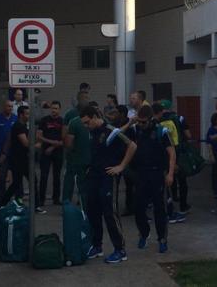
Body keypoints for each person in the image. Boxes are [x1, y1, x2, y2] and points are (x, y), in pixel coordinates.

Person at [81, 106, 137, 264]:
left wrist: (121, 166)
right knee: (92, 210)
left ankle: (120, 249)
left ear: (93, 117)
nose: (86, 126)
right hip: (94, 176)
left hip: (108, 176)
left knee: (109, 212)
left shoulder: (111, 131)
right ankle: (96, 246)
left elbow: (132, 146)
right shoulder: (92, 132)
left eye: (87, 122)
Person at [127, 105, 175, 253]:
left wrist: (170, 173)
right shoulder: (135, 130)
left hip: (157, 173)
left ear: (151, 119)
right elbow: (118, 134)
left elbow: (172, 153)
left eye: (143, 122)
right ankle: (144, 232)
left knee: (159, 208)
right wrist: (130, 123)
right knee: (138, 207)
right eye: (139, 121)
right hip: (140, 173)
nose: (141, 124)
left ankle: (162, 238)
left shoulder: (161, 131)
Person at [2, 106, 44, 213]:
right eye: (27, 114)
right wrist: (36, 146)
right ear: (21, 115)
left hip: (22, 159)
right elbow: (25, 143)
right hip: (19, 160)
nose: (29, 116)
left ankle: (2, 203)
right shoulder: (19, 126)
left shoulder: (23, 125)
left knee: (21, 182)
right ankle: (35, 206)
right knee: (24, 182)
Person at [152, 103, 185, 224]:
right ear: (160, 112)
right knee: (166, 190)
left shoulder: (147, 126)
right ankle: (168, 213)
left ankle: (164, 212)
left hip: (152, 164)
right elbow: (173, 147)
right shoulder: (165, 126)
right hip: (163, 163)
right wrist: (173, 165)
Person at [159, 99, 192, 215]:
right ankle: (183, 205)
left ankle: (171, 202)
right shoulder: (179, 118)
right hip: (178, 152)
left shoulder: (158, 120)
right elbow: (188, 135)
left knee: (169, 178)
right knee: (182, 181)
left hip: (163, 153)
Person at [62, 91, 90, 203]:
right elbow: (64, 135)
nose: (87, 100)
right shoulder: (71, 114)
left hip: (86, 154)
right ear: (79, 99)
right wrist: (70, 149)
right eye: (84, 98)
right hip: (73, 155)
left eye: (88, 97)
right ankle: (66, 202)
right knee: (69, 179)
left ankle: (82, 202)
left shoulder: (91, 113)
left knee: (83, 181)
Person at [37, 101, 64, 206]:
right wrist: (51, 142)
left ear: (59, 110)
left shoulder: (63, 121)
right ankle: (41, 199)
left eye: (56, 108)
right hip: (45, 152)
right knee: (44, 176)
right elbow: (38, 136)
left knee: (57, 176)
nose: (54, 110)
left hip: (58, 152)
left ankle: (56, 199)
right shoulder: (44, 120)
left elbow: (64, 139)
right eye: (52, 108)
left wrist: (52, 147)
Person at [206, 112, 217, 198]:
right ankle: (215, 191)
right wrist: (211, 155)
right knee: (215, 173)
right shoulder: (211, 130)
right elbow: (209, 143)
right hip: (215, 153)